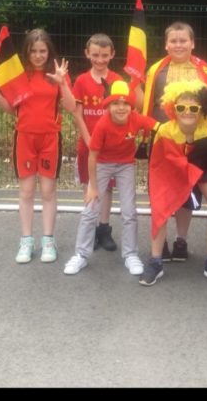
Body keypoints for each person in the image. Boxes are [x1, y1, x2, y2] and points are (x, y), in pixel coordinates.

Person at [0, 28, 76, 264]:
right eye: (33, 50)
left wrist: (62, 83)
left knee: (48, 192)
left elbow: (70, 107)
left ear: (49, 51)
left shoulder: (57, 74)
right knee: (26, 192)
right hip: (24, 138)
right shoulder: (20, 75)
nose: (38, 55)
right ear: (27, 52)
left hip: (50, 139)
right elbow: (11, 108)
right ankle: (26, 241)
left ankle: (48, 240)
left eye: (42, 51)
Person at [142, 21, 207, 262]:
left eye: (183, 40)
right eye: (173, 41)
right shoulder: (155, 70)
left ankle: (181, 240)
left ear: (192, 43)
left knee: (186, 193)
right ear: (166, 45)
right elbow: (145, 103)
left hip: (197, 142)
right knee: (161, 195)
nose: (178, 45)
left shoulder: (205, 70)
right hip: (164, 141)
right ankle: (161, 245)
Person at [140, 80, 207, 286]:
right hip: (171, 169)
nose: (187, 112)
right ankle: (155, 262)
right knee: (160, 209)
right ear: (173, 109)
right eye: (181, 107)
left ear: (202, 110)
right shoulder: (165, 131)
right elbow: (157, 163)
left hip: (202, 168)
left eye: (193, 108)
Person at [63, 80, 158, 276]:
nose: (121, 108)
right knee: (91, 208)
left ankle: (131, 254)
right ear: (108, 106)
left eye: (125, 103)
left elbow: (160, 127)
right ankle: (81, 254)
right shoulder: (103, 124)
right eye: (116, 103)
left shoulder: (136, 119)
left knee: (129, 210)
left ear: (131, 106)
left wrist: (179, 130)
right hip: (102, 164)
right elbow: (93, 156)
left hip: (125, 165)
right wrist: (93, 187)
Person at [72, 33, 124, 252]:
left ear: (112, 54)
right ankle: (90, 228)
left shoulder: (118, 81)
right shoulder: (81, 81)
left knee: (107, 189)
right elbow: (77, 114)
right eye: (95, 55)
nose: (100, 59)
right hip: (88, 146)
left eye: (104, 55)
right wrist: (88, 139)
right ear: (87, 54)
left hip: (110, 148)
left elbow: (122, 113)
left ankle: (104, 228)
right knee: (90, 187)